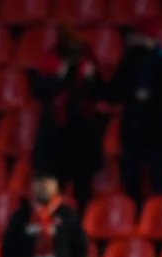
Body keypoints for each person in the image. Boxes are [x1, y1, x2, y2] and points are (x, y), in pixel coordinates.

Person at [106, 20, 162, 203]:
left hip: (158, 127)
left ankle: (158, 210)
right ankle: (131, 209)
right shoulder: (128, 61)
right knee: (130, 176)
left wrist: (155, 93)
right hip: (133, 127)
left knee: (158, 174)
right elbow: (113, 92)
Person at [30, 24, 105, 215]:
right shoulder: (49, 63)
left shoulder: (88, 61)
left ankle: (81, 224)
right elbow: (39, 91)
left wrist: (90, 78)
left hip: (81, 137)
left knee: (83, 188)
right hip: (55, 137)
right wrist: (60, 76)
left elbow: (101, 92)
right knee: (53, 189)